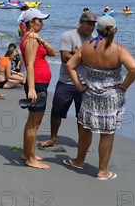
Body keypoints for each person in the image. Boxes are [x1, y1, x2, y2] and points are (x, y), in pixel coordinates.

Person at [64, 16, 135, 180]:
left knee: (85, 128)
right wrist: (124, 86)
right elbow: (134, 68)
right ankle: (103, 171)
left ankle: (79, 160)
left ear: (97, 29)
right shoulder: (118, 49)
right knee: (107, 133)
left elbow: (70, 65)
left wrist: (79, 85)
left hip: (89, 93)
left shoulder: (87, 46)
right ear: (115, 30)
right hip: (110, 96)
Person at [38, 11, 97, 148]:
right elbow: (65, 57)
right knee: (57, 111)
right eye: (88, 23)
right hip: (66, 82)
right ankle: (53, 138)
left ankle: (83, 142)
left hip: (85, 83)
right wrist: (85, 57)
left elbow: (95, 60)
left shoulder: (94, 40)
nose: (91, 27)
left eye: (93, 24)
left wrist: (75, 54)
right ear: (80, 23)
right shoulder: (68, 36)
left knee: (83, 116)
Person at [20, 8, 56, 169]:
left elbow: (53, 52)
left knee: (32, 121)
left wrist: (40, 38)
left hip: (40, 82)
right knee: (34, 123)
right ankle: (31, 158)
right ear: (30, 22)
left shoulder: (35, 38)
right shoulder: (30, 40)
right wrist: (32, 89)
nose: (42, 23)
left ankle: (27, 153)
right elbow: (29, 64)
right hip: (37, 84)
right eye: (39, 20)